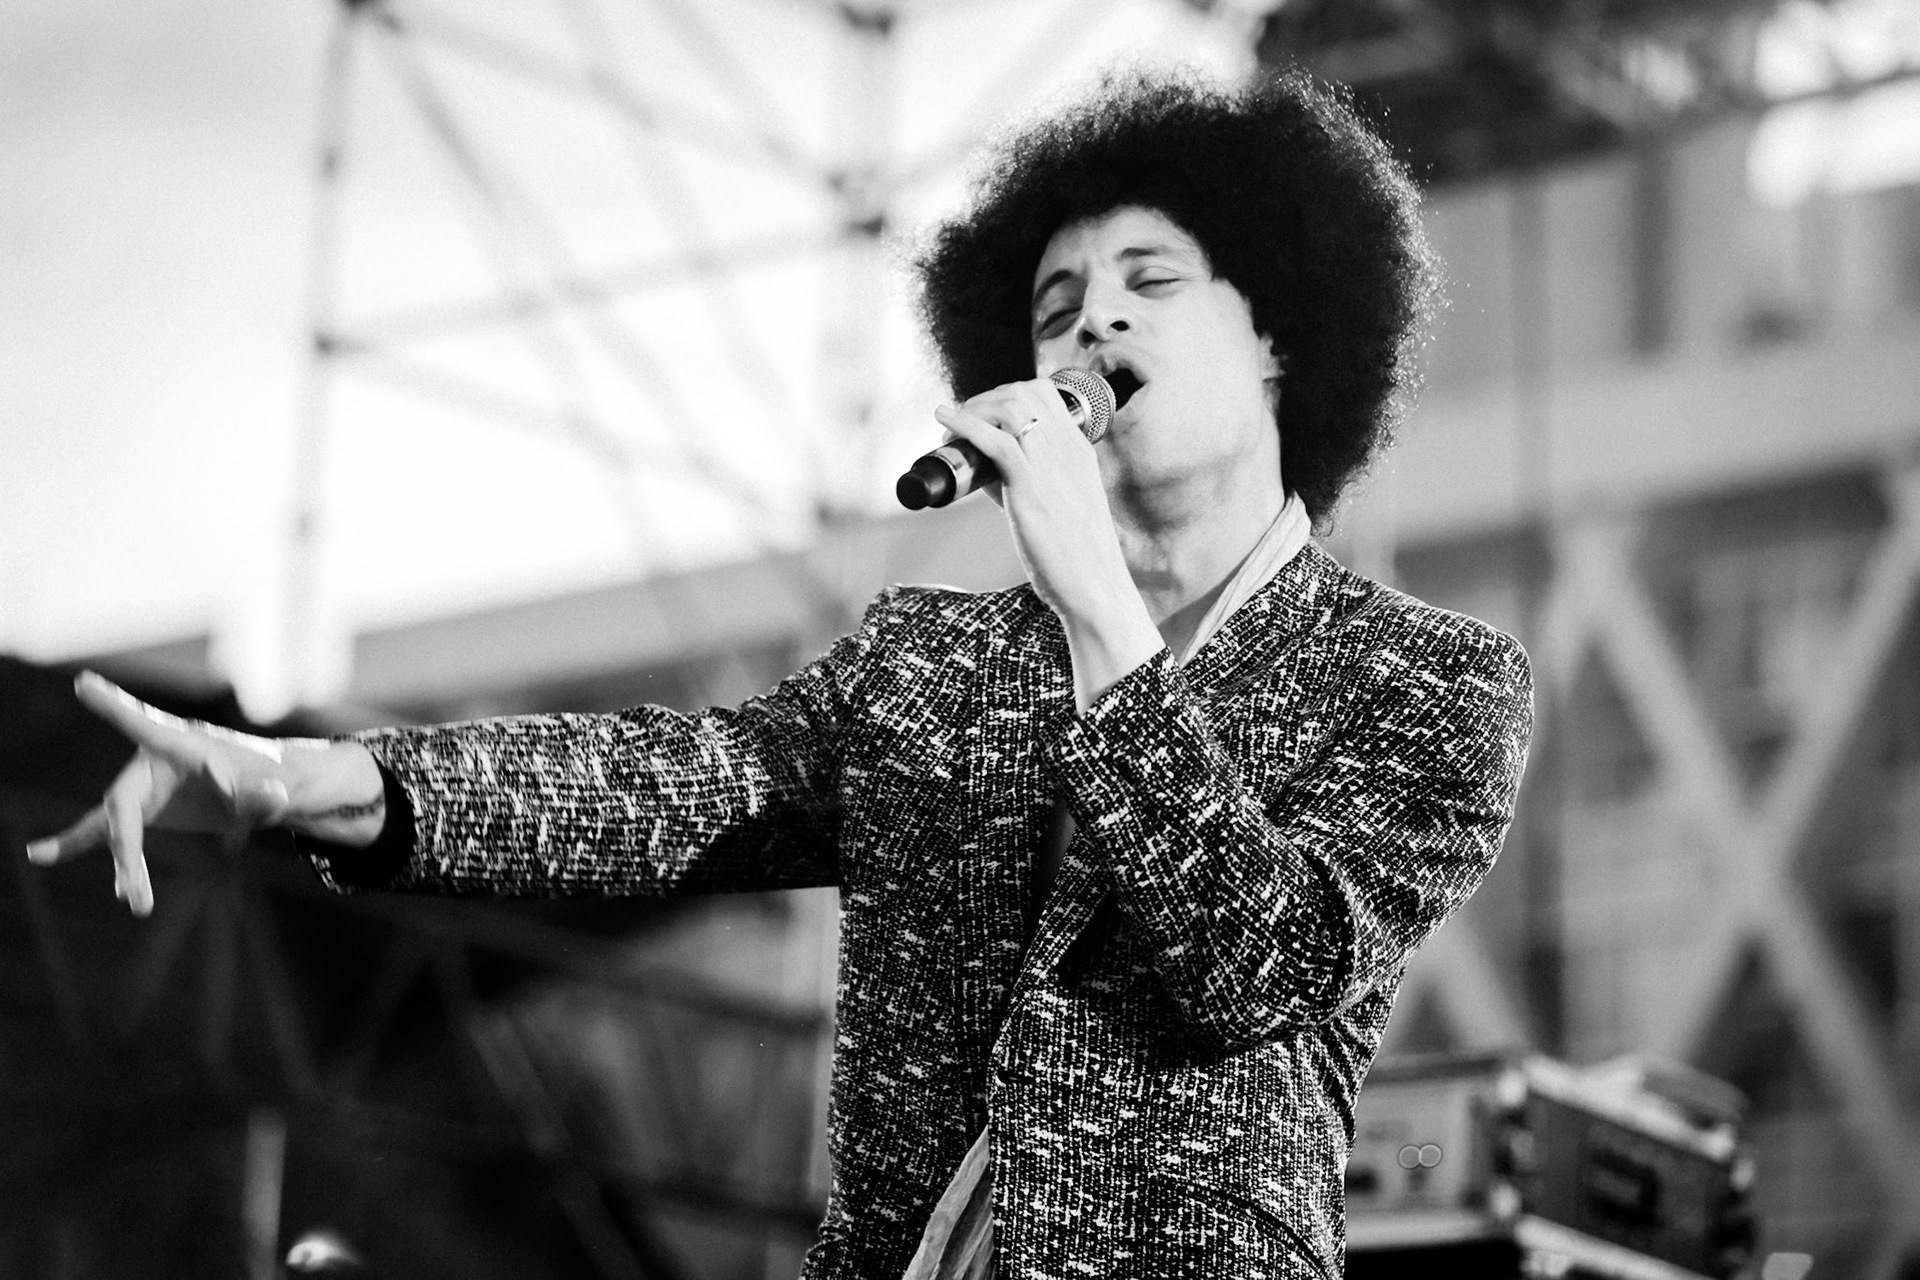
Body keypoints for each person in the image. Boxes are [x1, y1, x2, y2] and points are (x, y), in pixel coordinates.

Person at [27, 68, 1532, 1280]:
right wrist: (310, 780)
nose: (1095, 320)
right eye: (1056, 304)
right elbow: (658, 787)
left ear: (1278, 339)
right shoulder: (930, 667)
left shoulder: (1428, 682)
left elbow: (1252, 962)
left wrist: (1098, 609)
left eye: (1153, 281)